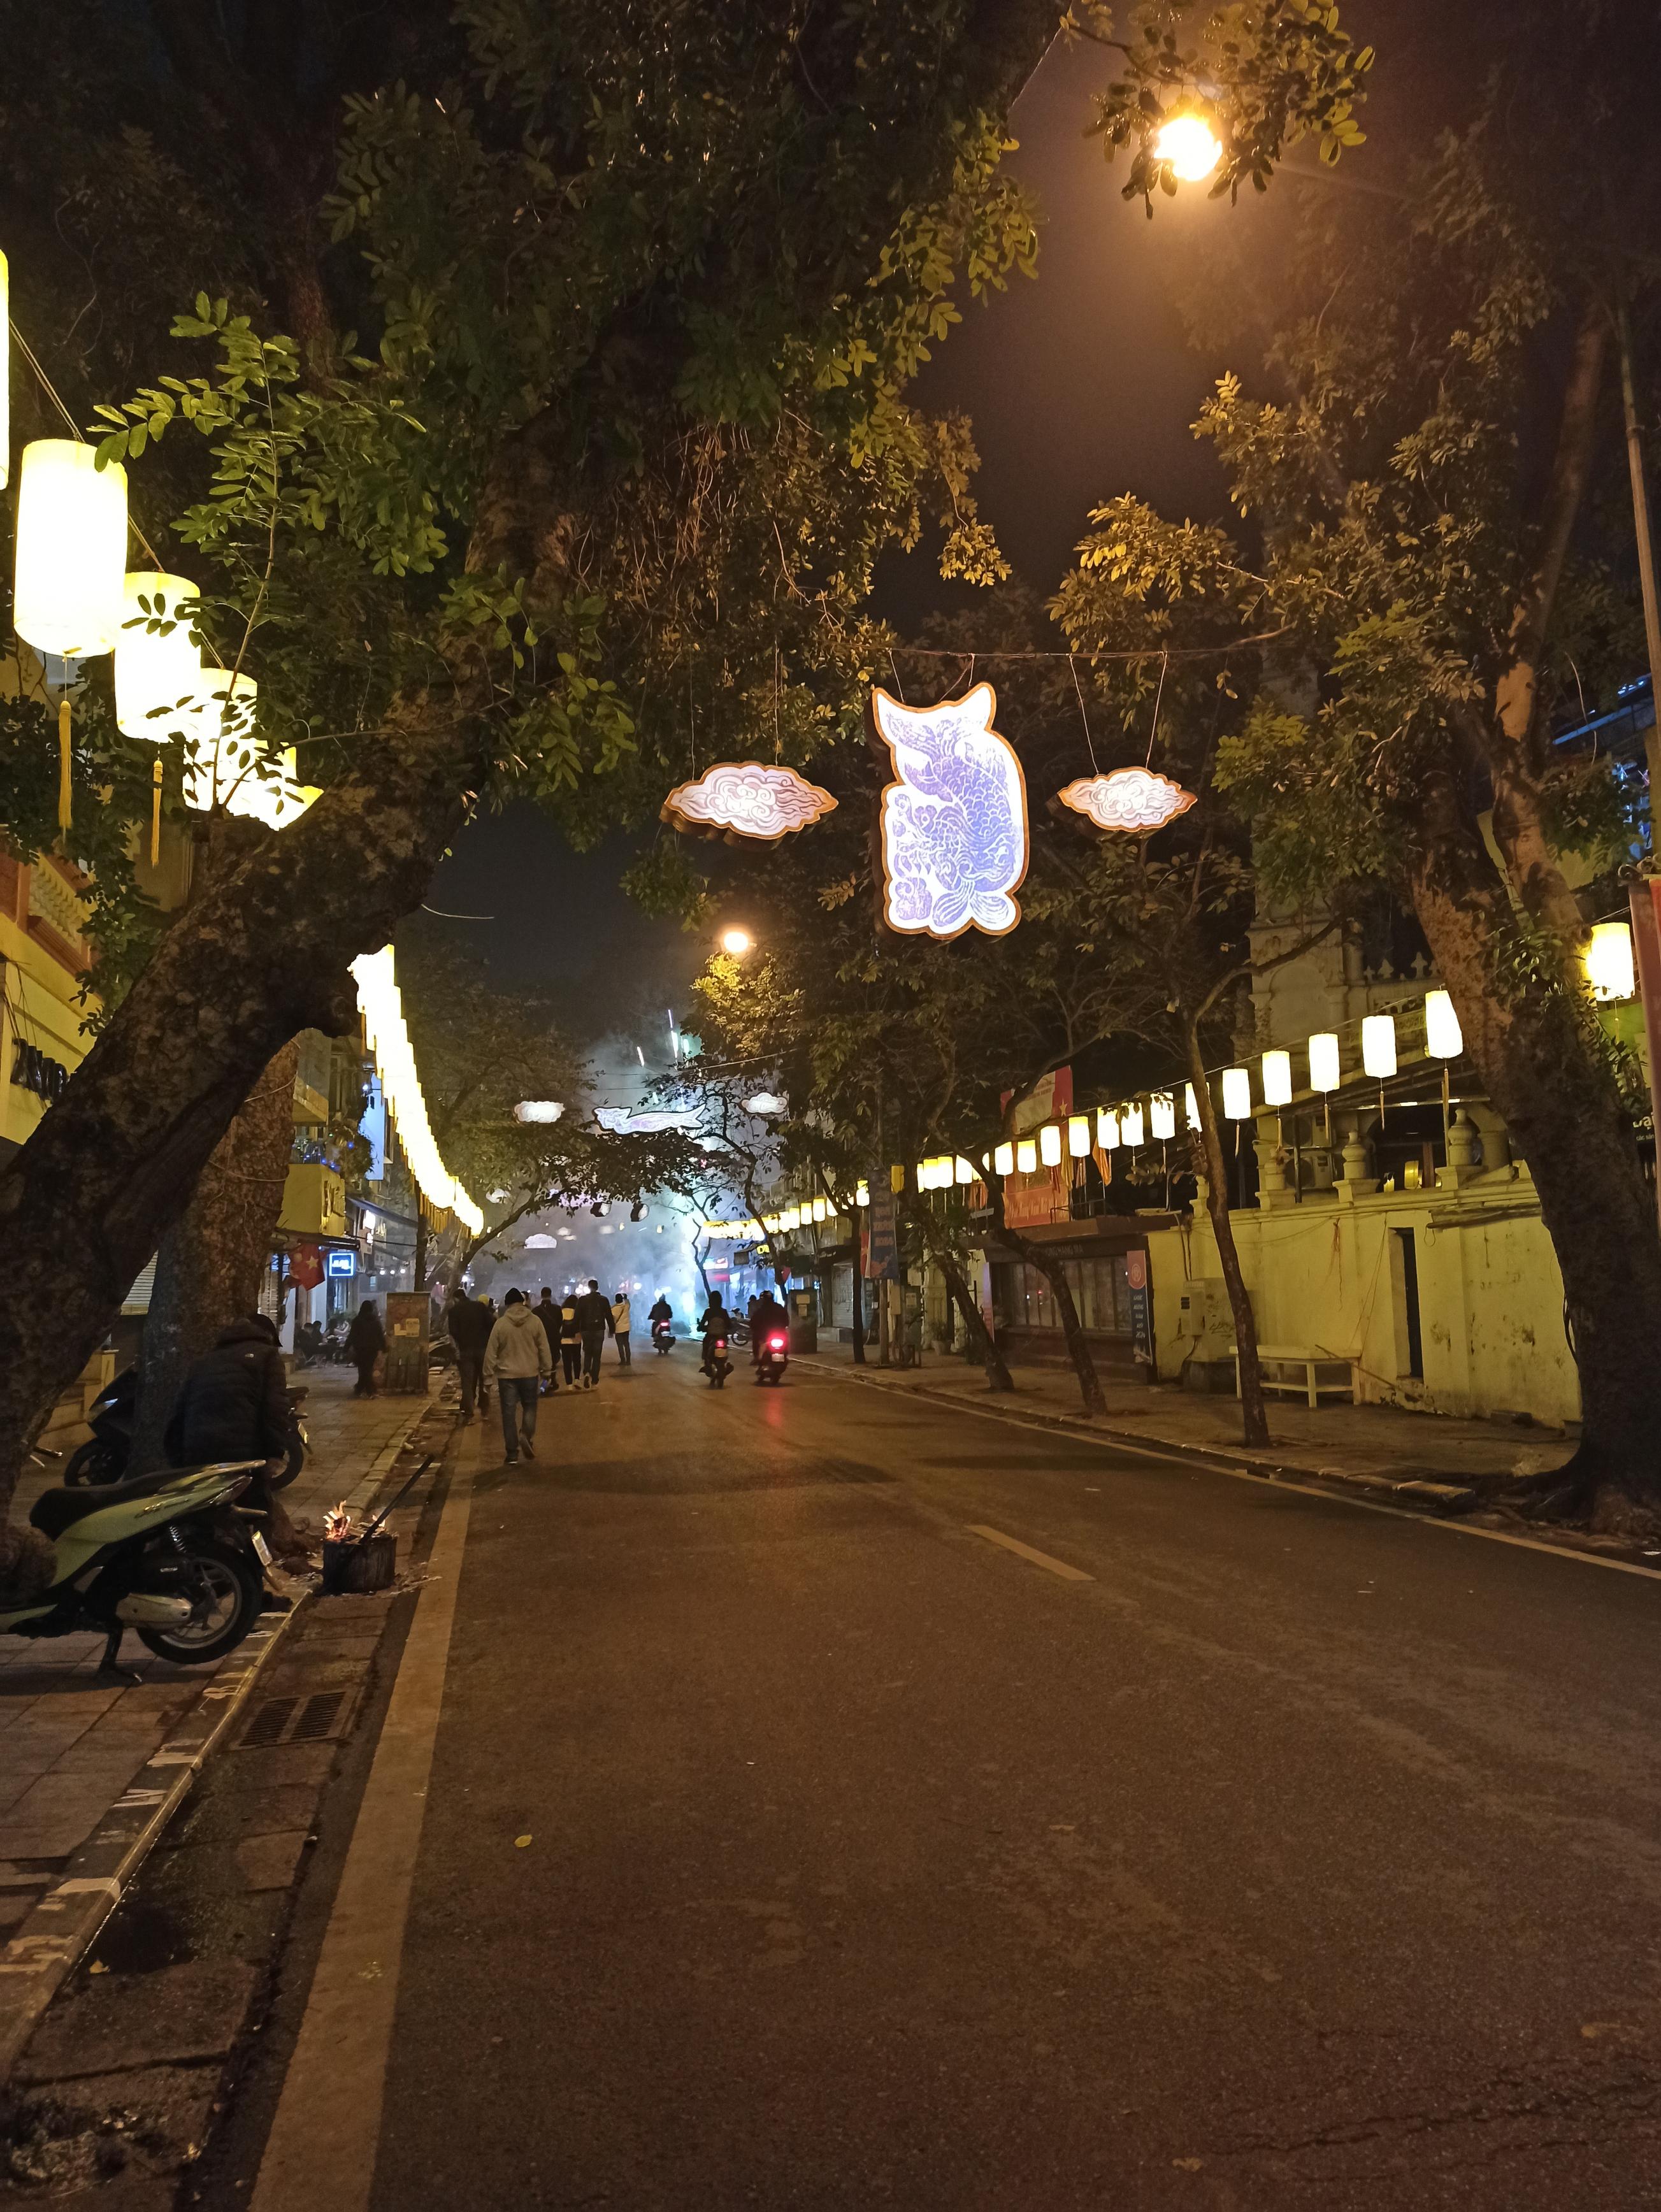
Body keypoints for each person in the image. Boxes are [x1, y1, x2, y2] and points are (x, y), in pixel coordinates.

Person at [164, 1314, 299, 1590]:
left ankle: (203, 1581)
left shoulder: (204, 1362)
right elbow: (275, 1408)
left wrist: (179, 1460)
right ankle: (254, 1588)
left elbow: (178, 1414)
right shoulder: (267, 1357)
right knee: (257, 1517)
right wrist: (274, 1453)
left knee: (203, 1520)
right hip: (243, 1455)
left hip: (198, 1453)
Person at [484, 1289, 551, 1463]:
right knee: (530, 1407)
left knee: (508, 1414)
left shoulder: (501, 1324)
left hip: (507, 1376)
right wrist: (547, 1370)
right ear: (523, 1302)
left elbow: (491, 1351)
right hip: (529, 1373)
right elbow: (544, 1347)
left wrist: (487, 1377)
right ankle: (526, 1435)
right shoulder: (535, 1322)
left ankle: (512, 1454)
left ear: (507, 1304)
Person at [445, 1286, 493, 1424]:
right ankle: (484, 1409)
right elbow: (491, 1323)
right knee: (484, 1379)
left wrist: (462, 1340)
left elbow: (453, 1331)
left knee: (467, 1381)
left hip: (466, 1350)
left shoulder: (454, 1311)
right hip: (482, 1349)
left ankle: (469, 1411)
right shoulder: (479, 1306)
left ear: (455, 1299)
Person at [573, 1277, 614, 1388]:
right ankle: (594, 1379)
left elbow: (577, 1316)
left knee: (587, 1352)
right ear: (597, 1287)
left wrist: (576, 1330)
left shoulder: (582, 1300)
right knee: (597, 1355)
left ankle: (586, 1373)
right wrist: (612, 1329)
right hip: (599, 1329)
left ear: (589, 1287)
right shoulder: (604, 1300)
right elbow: (609, 1315)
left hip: (586, 1330)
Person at [345, 1300, 385, 1397]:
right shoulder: (376, 1321)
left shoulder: (357, 1320)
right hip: (373, 1350)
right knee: (368, 1368)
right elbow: (380, 1335)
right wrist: (384, 1348)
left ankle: (364, 1389)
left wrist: (346, 1348)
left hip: (360, 1349)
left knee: (363, 1369)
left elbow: (352, 1335)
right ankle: (366, 1389)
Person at [533, 1287, 563, 1392]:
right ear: (551, 1295)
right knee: (553, 1361)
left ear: (541, 1296)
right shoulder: (558, 1309)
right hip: (554, 1338)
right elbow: (560, 1323)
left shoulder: (536, 1311)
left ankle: (544, 1383)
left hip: (540, 1338)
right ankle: (552, 1382)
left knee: (542, 1360)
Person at [697, 1291, 730, 1375]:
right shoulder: (724, 1312)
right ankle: (724, 1363)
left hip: (711, 1337)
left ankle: (707, 1363)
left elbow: (702, 1324)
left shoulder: (708, 1312)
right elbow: (729, 1324)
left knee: (706, 1347)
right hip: (722, 1337)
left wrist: (701, 1327)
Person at [559, 1293, 582, 1386]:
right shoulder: (577, 1312)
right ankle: (577, 1380)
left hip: (564, 1340)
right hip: (576, 1339)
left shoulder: (562, 1311)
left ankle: (569, 1384)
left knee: (567, 1362)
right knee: (577, 1360)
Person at [611, 1289, 632, 1366]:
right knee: (627, 1344)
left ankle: (623, 1360)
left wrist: (611, 1330)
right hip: (626, 1329)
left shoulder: (613, 1309)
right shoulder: (626, 1306)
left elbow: (612, 1320)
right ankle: (628, 1361)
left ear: (616, 1300)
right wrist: (626, 1297)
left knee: (620, 1346)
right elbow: (628, 1302)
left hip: (619, 1329)